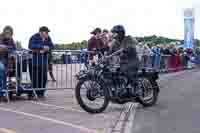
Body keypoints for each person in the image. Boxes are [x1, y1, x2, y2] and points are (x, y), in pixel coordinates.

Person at [109, 25, 141, 97]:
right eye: (113, 33)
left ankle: (136, 89)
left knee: (128, 72)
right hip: (123, 62)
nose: (113, 34)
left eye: (115, 33)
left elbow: (130, 47)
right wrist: (104, 57)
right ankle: (119, 89)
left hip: (132, 61)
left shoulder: (128, 38)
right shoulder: (115, 42)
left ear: (120, 33)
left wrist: (125, 49)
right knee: (114, 73)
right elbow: (110, 51)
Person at [28, 26, 54, 99]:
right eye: (46, 32)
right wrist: (42, 47)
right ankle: (34, 93)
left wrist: (48, 48)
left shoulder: (48, 38)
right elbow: (31, 46)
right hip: (34, 61)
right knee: (35, 78)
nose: (47, 33)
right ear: (41, 32)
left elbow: (52, 46)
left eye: (47, 32)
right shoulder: (34, 37)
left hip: (44, 61)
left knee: (44, 78)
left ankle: (41, 93)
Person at [0, 26, 16, 97]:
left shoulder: (11, 40)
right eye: (7, 32)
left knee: (12, 71)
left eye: (10, 33)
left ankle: (8, 91)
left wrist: (6, 48)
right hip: (1, 59)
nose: (8, 34)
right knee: (2, 70)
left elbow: (14, 48)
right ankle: (2, 92)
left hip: (8, 60)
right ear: (4, 32)